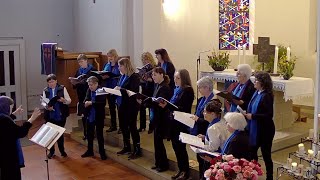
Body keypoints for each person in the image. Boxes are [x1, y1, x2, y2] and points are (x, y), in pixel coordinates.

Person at [161, 69, 194, 179]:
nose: (175, 79)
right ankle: (180, 169)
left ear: (184, 78)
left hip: (182, 123)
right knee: (176, 147)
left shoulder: (188, 91)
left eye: (178, 78)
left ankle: (185, 171)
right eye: (175, 77)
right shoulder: (177, 89)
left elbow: (184, 108)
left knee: (181, 148)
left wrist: (168, 105)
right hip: (174, 122)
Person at [0, 96, 41, 180]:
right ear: (5, 107)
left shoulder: (1, 116)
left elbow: (6, 122)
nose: (10, 110)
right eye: (10, 108)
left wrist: (14, 113)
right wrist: (32, 118)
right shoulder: (4, 120)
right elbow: (20, 132)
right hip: (7, 155)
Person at [243, 71, 275, 180]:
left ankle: (269, 177)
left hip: (265, 130)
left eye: (256, 80)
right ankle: (253, 174)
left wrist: (253, 116)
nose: (254, 82)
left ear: (262, 82)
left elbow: (269, 115)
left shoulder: (267, 95)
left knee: (266, 155)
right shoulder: (256, 93)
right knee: (252, 152)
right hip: (254, 128)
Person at [141, 67, 172, 172]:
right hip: (156, 117)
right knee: (156, 142)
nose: (152, 77)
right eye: (152, 75)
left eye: (154, 75)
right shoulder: (158, 85)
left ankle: (163, 165)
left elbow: (161, 103)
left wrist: (149, 102)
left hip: (162, 118)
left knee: (159, 143)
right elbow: (154, 99)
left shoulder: (165, 87)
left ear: (161, 75)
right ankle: (158, 163)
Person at [191, 76, 216, 179]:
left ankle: (205, 177)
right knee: (199, 156)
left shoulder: (213, 101)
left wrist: (198, 119)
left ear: (207, 88)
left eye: (200, 87)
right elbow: (197, 113)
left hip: (206, 131)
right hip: (199, 130)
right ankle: (201, 176)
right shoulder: (202, 99)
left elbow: (210, 120)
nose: (199, 90)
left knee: (205, 158)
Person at [116, 58, 141, 159]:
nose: (119, 68)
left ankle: (136, 149)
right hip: (122, 104)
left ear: (125, 66)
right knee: (123, 127)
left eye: (120, 66)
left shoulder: (134, 77)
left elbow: (133, 91)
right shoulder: (122, 76)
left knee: (132, 127)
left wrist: (120, 89)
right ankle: (127, 147)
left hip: (131, 106)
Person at [197, 99, 228, 180]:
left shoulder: (213, 128)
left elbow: (213, 147)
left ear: (213, 114)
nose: (203, 114)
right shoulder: (221, 122)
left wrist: (199, 146)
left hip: (215, 158)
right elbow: (218, 137)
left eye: (205, 112)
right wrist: (205, 137)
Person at [43, 74, 71, 159]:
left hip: (60, 114)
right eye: (49, 82)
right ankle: (51, 152)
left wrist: (64, 100)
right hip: (50, 115)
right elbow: (43, 102)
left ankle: (62, 151)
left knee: (60, 133)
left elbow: (69, 100)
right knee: (51, 134)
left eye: (52, 81)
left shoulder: (62, 88)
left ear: (56, 81)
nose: (51, 83)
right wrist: (47, 107)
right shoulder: (46, 90)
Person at [81, 76, 107, 160]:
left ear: (96, 84)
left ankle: (102, 152)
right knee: (89, 134)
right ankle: (90, 150)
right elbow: (85, 99)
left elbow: (102, 103)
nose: (90, 87)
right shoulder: (89, 90)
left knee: (99, 135)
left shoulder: (101, 91)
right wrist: (85, 103)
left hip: (98, 115)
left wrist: (91, 103)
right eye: (89, 85)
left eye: (91, 85)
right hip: (90, 115)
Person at [73, 54, 97, 140]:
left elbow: (96, 83)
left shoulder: (92, 70)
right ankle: (85, 133)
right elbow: (75, 81)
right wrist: (74, 83)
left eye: (82, 61)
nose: (80, 64)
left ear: (86, 60)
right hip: (81, 95)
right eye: (79, 62)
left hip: (90, 95)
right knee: (84, 115)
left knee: (91, 115)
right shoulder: (78, 71)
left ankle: (92, 133)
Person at [102, 49, 121, 133]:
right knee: (111, 108)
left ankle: (121, 127)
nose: (110, 58)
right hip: (109, 88)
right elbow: (104, 73)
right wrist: (102, 76)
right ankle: (113, 125)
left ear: (115, 56)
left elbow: (121, 75)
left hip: (116, 88)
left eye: (111, 56)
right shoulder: (107, 65)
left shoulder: (119, 65)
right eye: (108, 56)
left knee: (119, 108)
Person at [139, 52, 156, 133]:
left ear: (150, 59)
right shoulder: (143, 69)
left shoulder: (155, 67)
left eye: (146, 59)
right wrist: (141, 79)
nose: (145, 61)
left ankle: (151, 127)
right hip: (144, 90)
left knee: (151, 110)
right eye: (143, 60)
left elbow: (156, 81)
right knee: (142, 108)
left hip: (151, 90)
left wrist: (150, 80)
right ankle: (142, 126)